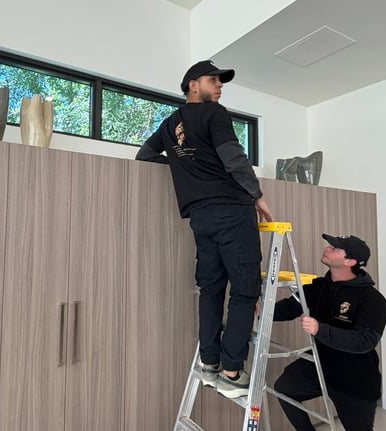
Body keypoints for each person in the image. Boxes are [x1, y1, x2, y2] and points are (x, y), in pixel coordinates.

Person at [135, 60, 273, 399]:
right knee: (245, 291)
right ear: (193, 85)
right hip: (232, 210)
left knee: (211, 289)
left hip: (201, 218)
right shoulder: (215, 114)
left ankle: (210, 362)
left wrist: (182, 166)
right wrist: (258, 195)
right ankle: (231, 371)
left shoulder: (170, 124)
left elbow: (145, 155)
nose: (220, 85)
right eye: (214, 80)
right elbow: (233, 157)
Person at [273, 234, 386, 431]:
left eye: (335, 249)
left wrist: (320, 329)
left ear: (350, 262)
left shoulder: (373, 300)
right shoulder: (318, 287)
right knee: (285, 388)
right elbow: (289, 308)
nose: (327, 249)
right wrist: (261, 311)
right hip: (321, 364)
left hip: (355, 379)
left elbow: (365, 341)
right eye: (330, 246)